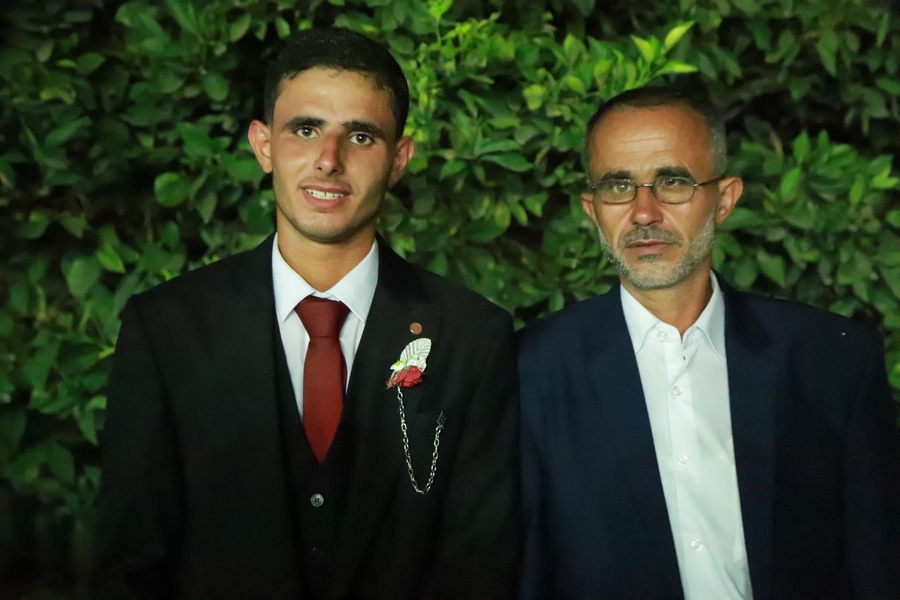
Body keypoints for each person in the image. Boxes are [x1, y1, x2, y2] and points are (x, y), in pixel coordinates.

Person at [93, 27, 518, 600]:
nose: (329, 160)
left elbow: (480, 568)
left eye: (361, 136)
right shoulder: (166, 329)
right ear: (264, 145)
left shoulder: (473, 337)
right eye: (306, 129)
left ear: (399, 159)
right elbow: (130, 566)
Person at [518, 85, 900, 599]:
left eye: (672, 182)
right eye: (619, 186)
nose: (644, 212)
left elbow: (878, 564)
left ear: (724, 199)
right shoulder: (529, 371)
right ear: (592, 209)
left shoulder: (833, 360)